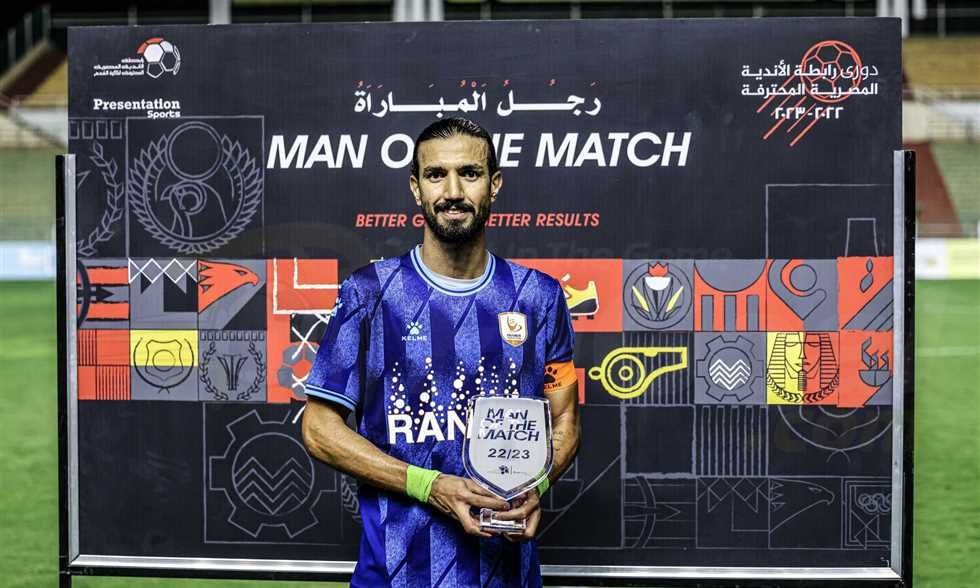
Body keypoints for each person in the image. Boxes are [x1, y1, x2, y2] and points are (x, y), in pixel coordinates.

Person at [302, 117, 580, 587]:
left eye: (469, 173)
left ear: (494, 184)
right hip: (393, 577)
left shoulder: (540, 297)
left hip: (507, 576)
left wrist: (537, 483)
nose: (453, 191)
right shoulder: (368, 293)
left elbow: (565, 420)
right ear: (416, 188)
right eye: (436, 175)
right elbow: (318, 428)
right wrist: (429, 486)